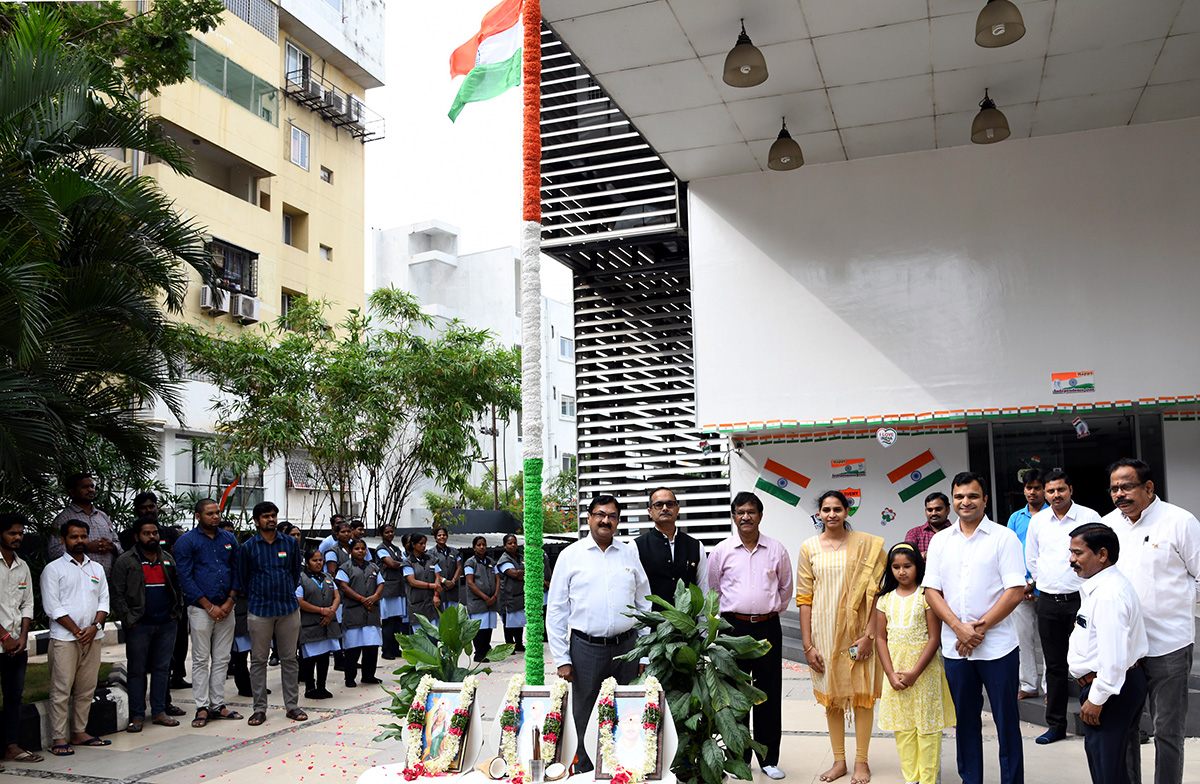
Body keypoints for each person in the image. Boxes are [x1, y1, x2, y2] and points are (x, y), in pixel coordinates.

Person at [1103, 458, 1200, 784]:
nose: (1119, 494)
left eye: (1127, 486)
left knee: (1167, 729)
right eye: (1114, 488)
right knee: (1125, 727)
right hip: (1124, 649)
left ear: (1148, 487)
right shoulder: (1106, 527)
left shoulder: (1180, 522)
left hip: (1168, 644)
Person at [924, 472, 1025, 784]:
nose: (965, 502)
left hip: (998, 648)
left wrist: (976, 630)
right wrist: (959, 628)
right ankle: (971, 779)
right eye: (959, 497)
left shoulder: (1003, 537)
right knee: (965, 722)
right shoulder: (941, 541)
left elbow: (1015, 590)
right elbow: (931, 592)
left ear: (985, 499)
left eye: (972, 496)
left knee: (1006, 721)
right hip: (957, 650)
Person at [547, 495, 651, 774]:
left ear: (618, 520)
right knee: (584, 713)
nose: (606, 520)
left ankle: (623, 767)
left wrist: (644, 652)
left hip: (627, 647)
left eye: (612, 515)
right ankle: (585, 769)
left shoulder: (630, 552)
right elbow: (556, 609)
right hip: (585, 649)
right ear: (589, 517)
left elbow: (645, 603)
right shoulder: (571, 555)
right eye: (600, 514)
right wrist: (561, 658)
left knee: (627, 711)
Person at [797, 490, 885, 784]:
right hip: (823, 636)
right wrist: (808, 645)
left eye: (837, 509)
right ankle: (839, 761)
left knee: (862, 699)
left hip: (858, 634)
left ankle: (861, 761)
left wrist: (870, 636)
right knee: (832, 699)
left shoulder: (866, 545)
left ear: (847, 512)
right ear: (819, 514)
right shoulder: (809, 548)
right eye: (826, 509)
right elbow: (804, 599)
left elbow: (876, 597)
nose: (832, 514)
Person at [708, 491, 792, 781]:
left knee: (768, 693)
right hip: (733, 629)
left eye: (751, 511)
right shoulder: (721, 551)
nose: (746, 517)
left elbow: (785, 589)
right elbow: (714, 590)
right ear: (733, 516)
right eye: (740, 512)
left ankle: (769, 759)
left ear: (760, 515)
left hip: (767, 628)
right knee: (734, 693)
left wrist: (766, 612)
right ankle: (738, 758)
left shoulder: (777, 549)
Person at [1024, 468, 1102, 744]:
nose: (1056, 495)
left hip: (1083, 601)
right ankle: (1056, 725)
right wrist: (1043, 582)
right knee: (1055, 666)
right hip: (1048, 602)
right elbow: (1032, 558)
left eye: (1061, 490)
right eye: (1050, 491)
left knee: (1094, 661)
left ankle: (1102, 718)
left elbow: (1103, 555)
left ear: (1071, 490)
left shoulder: (1089, 517)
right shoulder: (1038, 521)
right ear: (1045, 493)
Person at [1067, 523, 1148, 784]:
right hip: (1108, 687)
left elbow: (1114, 657)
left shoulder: (1108, 596)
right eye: (1071, 552)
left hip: (1108, 690)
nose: (1072, 559)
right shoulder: (1101, 588)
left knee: (1107, 772)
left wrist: (1098, 697)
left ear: (1102, 554)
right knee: (1108, 768)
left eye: (1078, 553)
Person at [874, 543, 954, 784]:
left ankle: (928, 779)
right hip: (895, 673)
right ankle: (911, 778)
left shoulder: (926, 596)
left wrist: (915, 673)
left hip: (924, 673)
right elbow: (880, 637)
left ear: (918, 567)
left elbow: (934, 638)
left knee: (927, 729)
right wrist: (890, 674)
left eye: (907, 566)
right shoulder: (884, 599)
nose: (902, 572)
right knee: (904, 728)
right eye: (896, 567)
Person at [41, 519, 111, 756]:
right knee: (61, 689)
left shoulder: (96, 568)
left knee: (86, 688)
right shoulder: (53, 569)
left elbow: (104, 601)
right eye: (74, 537)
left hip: (93, 637)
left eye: (83, 537)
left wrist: (94, 627)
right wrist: (77, 630)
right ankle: (59, 737)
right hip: (65, 639)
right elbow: (53, 606)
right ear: (63, 540)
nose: (79, 541)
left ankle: (79, 732)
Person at [110, 517, 185, 732]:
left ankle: (159, 711)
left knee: (162, 669)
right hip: (139, 626)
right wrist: (129, 619)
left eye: (154, 533)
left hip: (166, 624)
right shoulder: (126, 561)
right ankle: (137, 714)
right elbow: (117, 594)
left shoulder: (167, 558)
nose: (151, 537)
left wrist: (175, 613)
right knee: (137, 670)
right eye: (146, 533)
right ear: (137, 536)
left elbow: (177, 588)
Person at [235, 501, 306, 725]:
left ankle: (292, 706)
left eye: (274, 516)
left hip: (287, 608)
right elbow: (243, 579)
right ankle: (259, 708)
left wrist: (285, 591)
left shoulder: (290, 544)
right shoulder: (248, 548)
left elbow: (295, 573)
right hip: (259, 610)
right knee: (258, 660)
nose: (271, 520)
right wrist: (259, 595)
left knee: (289, 659)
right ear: (257, 521)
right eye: (266, 516)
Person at [174, 499, 241, 727]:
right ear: (198, 516)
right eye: (210, 513)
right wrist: (208, 606)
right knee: (201, 659)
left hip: (227, 606)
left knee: (222, 658)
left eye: (217, 513)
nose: (215, 517)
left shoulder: (228, 538)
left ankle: (218, 705)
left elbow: (237, 569)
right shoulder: (187, 542)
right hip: (201, 609)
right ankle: (202, 707)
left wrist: (231, 600)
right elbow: (185, 577)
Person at [0, 515, 40, 766]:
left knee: (14, 697)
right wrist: (4, 637)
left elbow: (28, 604)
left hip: (16, 645)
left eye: (20, 533)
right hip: (3, 641)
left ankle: (11, 746)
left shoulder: (22, 565)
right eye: (12, 533)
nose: (18, 537)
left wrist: (22, 637)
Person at [1007, 469, 1046, 701]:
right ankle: (1029, 685)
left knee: (1050, 640)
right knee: (1023, 637)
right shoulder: (1016, 518)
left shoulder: (1053, 515)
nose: (1032, 492)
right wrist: (1022, 583)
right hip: (1021, 587)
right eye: (1028, 487)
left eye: (1037, 487)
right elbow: (1011, 551)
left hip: (1048, 586)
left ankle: (1050, 687)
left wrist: (1035, 582)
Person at [635, 487, 708, 603]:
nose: (665, 508)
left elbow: (704, 589)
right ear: (650, 512)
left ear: (677, 509)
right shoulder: (636, 547)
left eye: (670, 504)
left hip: (688, 620)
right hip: (652, 619)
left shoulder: (695, 546)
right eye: (659, 505)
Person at [51, 473, 121, 576]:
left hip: (108, 580)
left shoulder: (102, 516)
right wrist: (86, 547)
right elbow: (54, 551)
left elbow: (118, 545)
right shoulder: (63, 519)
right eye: (85, 487)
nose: (91, 490)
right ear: (72, 492)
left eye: (92, 486)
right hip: (78, 580)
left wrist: (112, 547)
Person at [336, 538, 383, 687]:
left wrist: (375, 596)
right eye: (357, 548)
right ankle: (350, 678)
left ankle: (369, 675)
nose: (361, 551)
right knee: (353, 648)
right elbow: (343, 587)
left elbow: (381, 583)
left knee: (371, 646)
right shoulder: (345, 568)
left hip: (371, 613)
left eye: (363, 548)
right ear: (351, 551)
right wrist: (362, 599)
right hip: (354, 613)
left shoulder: (373, 567)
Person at [297, 546, 341, 699]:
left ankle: (322, 686)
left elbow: (336, 596)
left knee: (323, 657)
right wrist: (322, 611)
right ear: (307, 562)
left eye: (320, 560)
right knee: (310, 658)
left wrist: (331, 612)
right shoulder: (301, 578)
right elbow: (300, 601)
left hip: (327, 624)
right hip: (310, 624)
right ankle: (310, 687)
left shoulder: (327, 577)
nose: (318, 563)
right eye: (314, 560)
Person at [464, 536, 499, 662]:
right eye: (479, 545)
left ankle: (485, 650)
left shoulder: (491, 561)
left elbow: (497, 579)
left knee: (489, 627)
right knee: (479, 629)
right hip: (478, 601)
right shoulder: (470, 562)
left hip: (491, 601)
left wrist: (495, 595)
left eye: (484, 544)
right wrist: (485, 597)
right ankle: (479, 653)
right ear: (474, 547)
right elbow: (470, 582)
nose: (482, 547)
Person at [376, 524, 407, 660]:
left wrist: (396, 563)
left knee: (397, 621)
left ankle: (395, 648)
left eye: (391, 532)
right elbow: (393, 564)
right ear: (382, 534)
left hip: (398, 589)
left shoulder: (395, 549)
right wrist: (397, 564)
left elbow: (396, 563)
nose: (390, 534)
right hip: (388, 590)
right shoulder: (381, 549)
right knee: (388, 622)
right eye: (387, 532)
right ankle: (386, 649)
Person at [403, 533, 442, 627]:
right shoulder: (408, 562)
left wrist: (436, 595)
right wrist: (431, 586)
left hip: (433, 601)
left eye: (425, 543)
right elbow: (412, 581)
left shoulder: (432, 559)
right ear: (413, 544)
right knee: (420, 635)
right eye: (421, 543)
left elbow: (437, 577)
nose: (424, 546)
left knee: (436, 635)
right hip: (418, 602)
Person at [497, 534, 526, 652]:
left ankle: (519, 643)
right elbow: (513, 574)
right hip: (508, 596)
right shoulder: (504, 559)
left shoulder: (520, 557)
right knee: (509, 623)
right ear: (505, 546)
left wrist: (521, 573)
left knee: (519, 621)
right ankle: (509, 646)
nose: (513, 545)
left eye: (514, 542)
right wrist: (524, 572)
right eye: (510, 543)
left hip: (519, 595)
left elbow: (520, 574)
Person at [903, 492, 952, 558]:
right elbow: (908, 558)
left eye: (938, 509)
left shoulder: (957, 532)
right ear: (926, 511)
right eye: (930, 510)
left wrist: (925, 555)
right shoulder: (914, 533)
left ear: (948, 510)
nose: (934, 513)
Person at [430, 526, 463, 607]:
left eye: (444, 535)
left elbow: (459, 567)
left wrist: (453, 581)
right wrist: (444, 581)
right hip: (440, 588)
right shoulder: (430, 553)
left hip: (453, 588)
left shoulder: (454, 551)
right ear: (435, 538)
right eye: (439, 535)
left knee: (453, 613)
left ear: (447, 537)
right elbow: (431, 571)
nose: (442, 537)